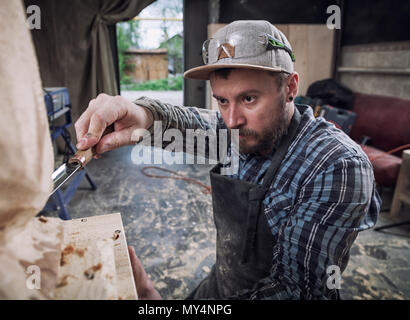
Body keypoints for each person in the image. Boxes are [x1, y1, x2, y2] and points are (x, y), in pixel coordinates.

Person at [74, 20, 381, 299]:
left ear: (290, 88)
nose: (231, 120)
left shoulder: (336, 166)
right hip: (223, 286)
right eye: (222, 100)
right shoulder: (239, 132)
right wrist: (141, 114)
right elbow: (189, 123)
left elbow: (295, 291)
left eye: (249, 99)